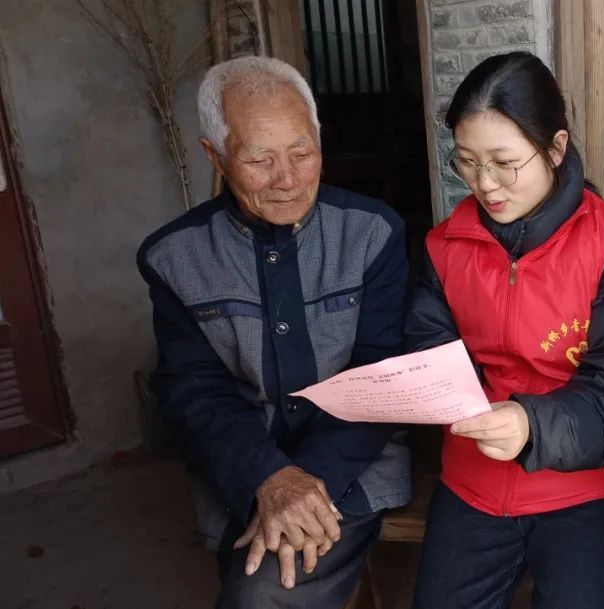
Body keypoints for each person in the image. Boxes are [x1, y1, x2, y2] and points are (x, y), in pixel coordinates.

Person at [136, 56, 411, 608]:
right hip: (244, 465)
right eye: (259, 159)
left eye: (302, 152)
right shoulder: (173, 257)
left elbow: (382, 377)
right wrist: (269, 477)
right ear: (215, 155)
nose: (287, 179)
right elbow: (194, 391)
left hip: (352, 463)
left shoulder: (372, 233)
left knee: (261, 593)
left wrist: (306, 486)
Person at [406, 51, 604, 609]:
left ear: (556, 148)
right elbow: (430, 349)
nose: (485, 184)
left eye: (504, 162)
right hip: (474, 476)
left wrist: (531, 424)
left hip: (590, 484)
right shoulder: (444, 247)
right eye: (467, 162)